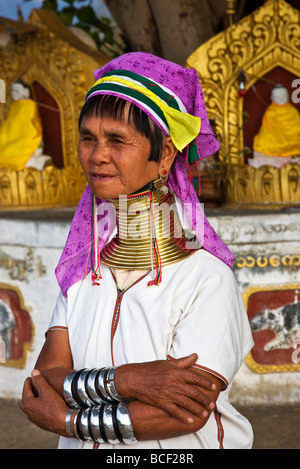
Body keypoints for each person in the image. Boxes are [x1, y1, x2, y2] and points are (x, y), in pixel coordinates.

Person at [20, 52, 254, 449]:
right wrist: (126, 379)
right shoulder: (83, 269)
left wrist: (67, 420)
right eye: (88, 138)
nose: (96, 155)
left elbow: (182, 413)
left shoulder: (205, 278)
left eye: (117, 140)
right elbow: (44, 380)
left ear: (164, 154)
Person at [249, 84, 300, 169]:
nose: (280, 98)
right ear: (272, 97)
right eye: (277, 96)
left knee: (261, 143)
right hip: (287, 147)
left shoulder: (291, 112)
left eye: (282, 96)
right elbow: (267, 131)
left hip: (289, 148)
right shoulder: (272, 113)